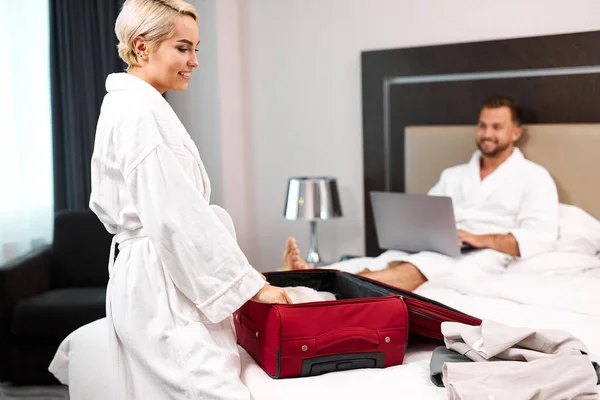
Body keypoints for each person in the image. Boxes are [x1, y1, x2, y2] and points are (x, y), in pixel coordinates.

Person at [89, 1, 291, 399]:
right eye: (183, 48)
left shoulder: (137, 103)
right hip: (162, 278)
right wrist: (248, 287)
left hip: (157, 272)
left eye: (196, 49)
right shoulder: (137, 110)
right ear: (142, 47)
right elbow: (176, 214)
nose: (195, 61)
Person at [284, 96, 559, 291]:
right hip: (442, 245)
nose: (487, 133)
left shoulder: (534, 177)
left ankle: (323, 283)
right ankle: (319, 278)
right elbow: (426, 216)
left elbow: (540, 237)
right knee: (387, 260)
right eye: (482, 125)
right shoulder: (454, 175)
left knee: (420, 268)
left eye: (497, 127)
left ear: (515, 133)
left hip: (485, 253)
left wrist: (477, 238)